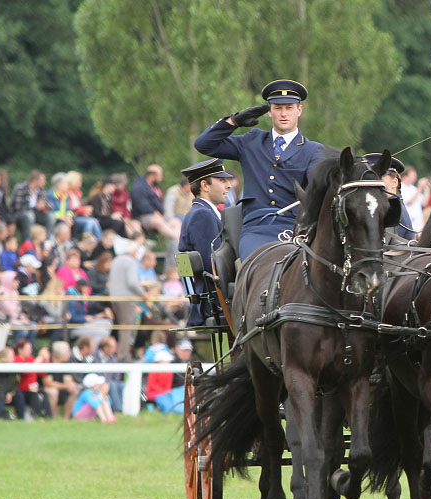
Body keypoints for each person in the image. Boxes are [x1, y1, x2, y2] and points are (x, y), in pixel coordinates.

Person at [194, 79, 325, 259]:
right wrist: (234, 121)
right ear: (270, 112)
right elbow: (204, 145)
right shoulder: (252, 141)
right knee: (254, 267)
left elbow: (317, 187)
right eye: (278, 108)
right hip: (256, 229)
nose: (283, 114)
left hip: (294, 228)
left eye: (289, 108)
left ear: (299, 110)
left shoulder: (313, 150)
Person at [177, 158, 233, 326]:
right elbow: (213, 265)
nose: (228, 185)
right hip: (214, 303)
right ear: (205, 186)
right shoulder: (203, 215)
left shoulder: (203, 212)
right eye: (222, 181)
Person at [363, 153, 414, 241]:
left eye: (380, 178)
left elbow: (384, 248)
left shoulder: (394, 210)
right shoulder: (384, 207)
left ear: (394, 183)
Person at [130, 165, 180, 240]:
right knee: (158, 222)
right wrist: (154, 212)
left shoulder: (154, 187)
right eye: (160, 175)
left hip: (158, 215)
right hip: (142, 216)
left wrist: (162, 213)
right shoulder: (139, 187)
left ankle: (178, 241)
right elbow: (141, 205)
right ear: (152, 175)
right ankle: (177, 240)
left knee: (176, 221)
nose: (161, 177)